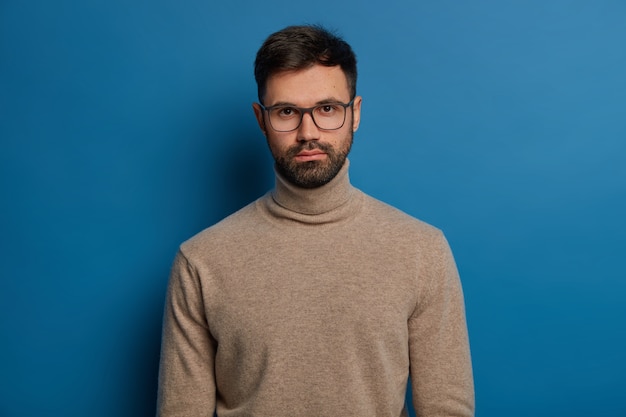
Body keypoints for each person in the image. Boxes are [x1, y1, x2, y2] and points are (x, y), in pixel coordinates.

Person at [157, 24, 474, 417]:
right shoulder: (200, 261)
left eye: (327, 109)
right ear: (261, 119)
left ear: (354, 114)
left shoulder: (422, 251)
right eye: (287, 111)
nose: (308, 133)